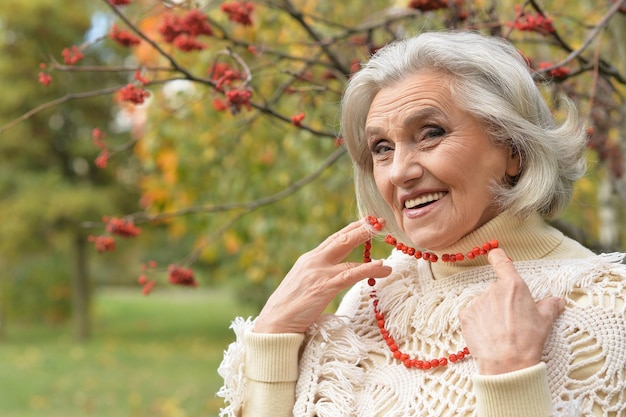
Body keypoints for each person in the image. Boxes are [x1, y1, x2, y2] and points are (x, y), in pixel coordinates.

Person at [217, 31, 626, 417]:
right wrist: (274, 339)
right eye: (381, 147)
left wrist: (511, 378)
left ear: (513, 149)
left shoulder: (608, 307)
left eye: (430, 133)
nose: (398, 172)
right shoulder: (371, 296)